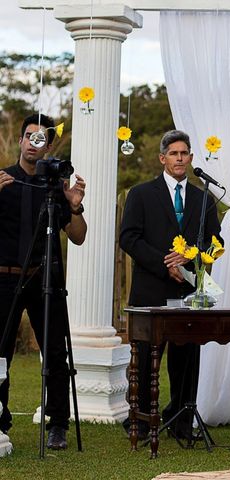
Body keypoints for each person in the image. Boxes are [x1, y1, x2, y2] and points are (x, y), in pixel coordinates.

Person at [120, 129, 222, 440]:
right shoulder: (140, 194)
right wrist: (166, 264)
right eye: (174, 153)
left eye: (185, 153)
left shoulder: (204, 199)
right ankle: (141, 419)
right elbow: (128, 238)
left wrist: (190, 261)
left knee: (186, 361)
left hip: (189, 292)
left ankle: (180, 421)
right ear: (162, 158)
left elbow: (213, 242)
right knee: (146, 359)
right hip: (150, 290)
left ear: (191, 159)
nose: (180, 158)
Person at [0, 113, 87, 450]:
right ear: (21, 140)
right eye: (28, 137)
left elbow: (78, 237)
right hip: (4, 281)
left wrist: (76, 207)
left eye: (41, 139)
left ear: (48, 146)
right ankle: (0, 418)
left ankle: (58, 423)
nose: (33, 143)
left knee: (54, 352)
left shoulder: (55, 187)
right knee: (0, 354)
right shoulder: (5, 179)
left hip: (44, 279)